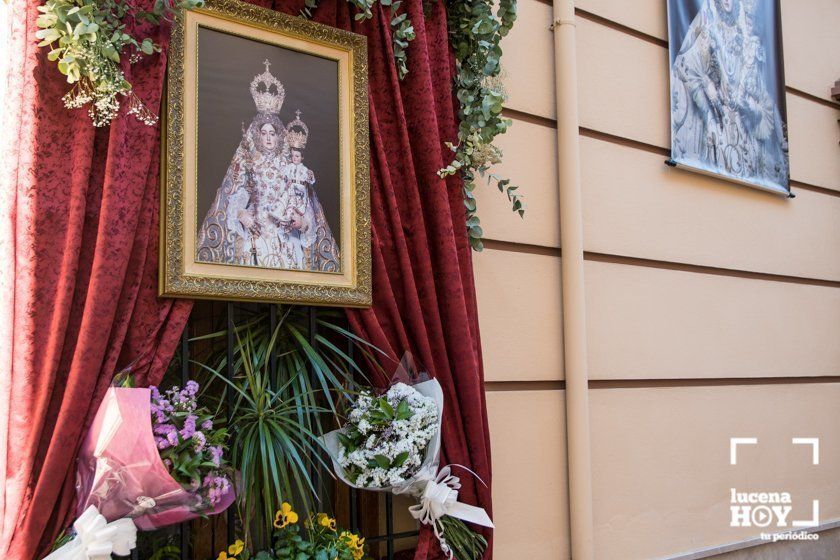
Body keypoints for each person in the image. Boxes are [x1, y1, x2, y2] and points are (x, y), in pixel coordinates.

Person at [196, 61, 339, 271]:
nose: (269, 138)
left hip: (286, 236)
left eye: (272, 133)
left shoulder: (290, 166)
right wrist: (242, 215)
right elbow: (235, 197)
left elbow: (303, 201)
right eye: (264, 133)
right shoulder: (248, 161)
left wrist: (303, 222)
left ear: (279, 136)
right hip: (256, 233)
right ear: (257, 135)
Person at [670, 0, 788, 188]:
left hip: (742, 134)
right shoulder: (707, 25)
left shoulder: (746, 36)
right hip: (715, 121)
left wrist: (751, 108)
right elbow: (689, 66)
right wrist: (707, 87)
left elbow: (759, 91)